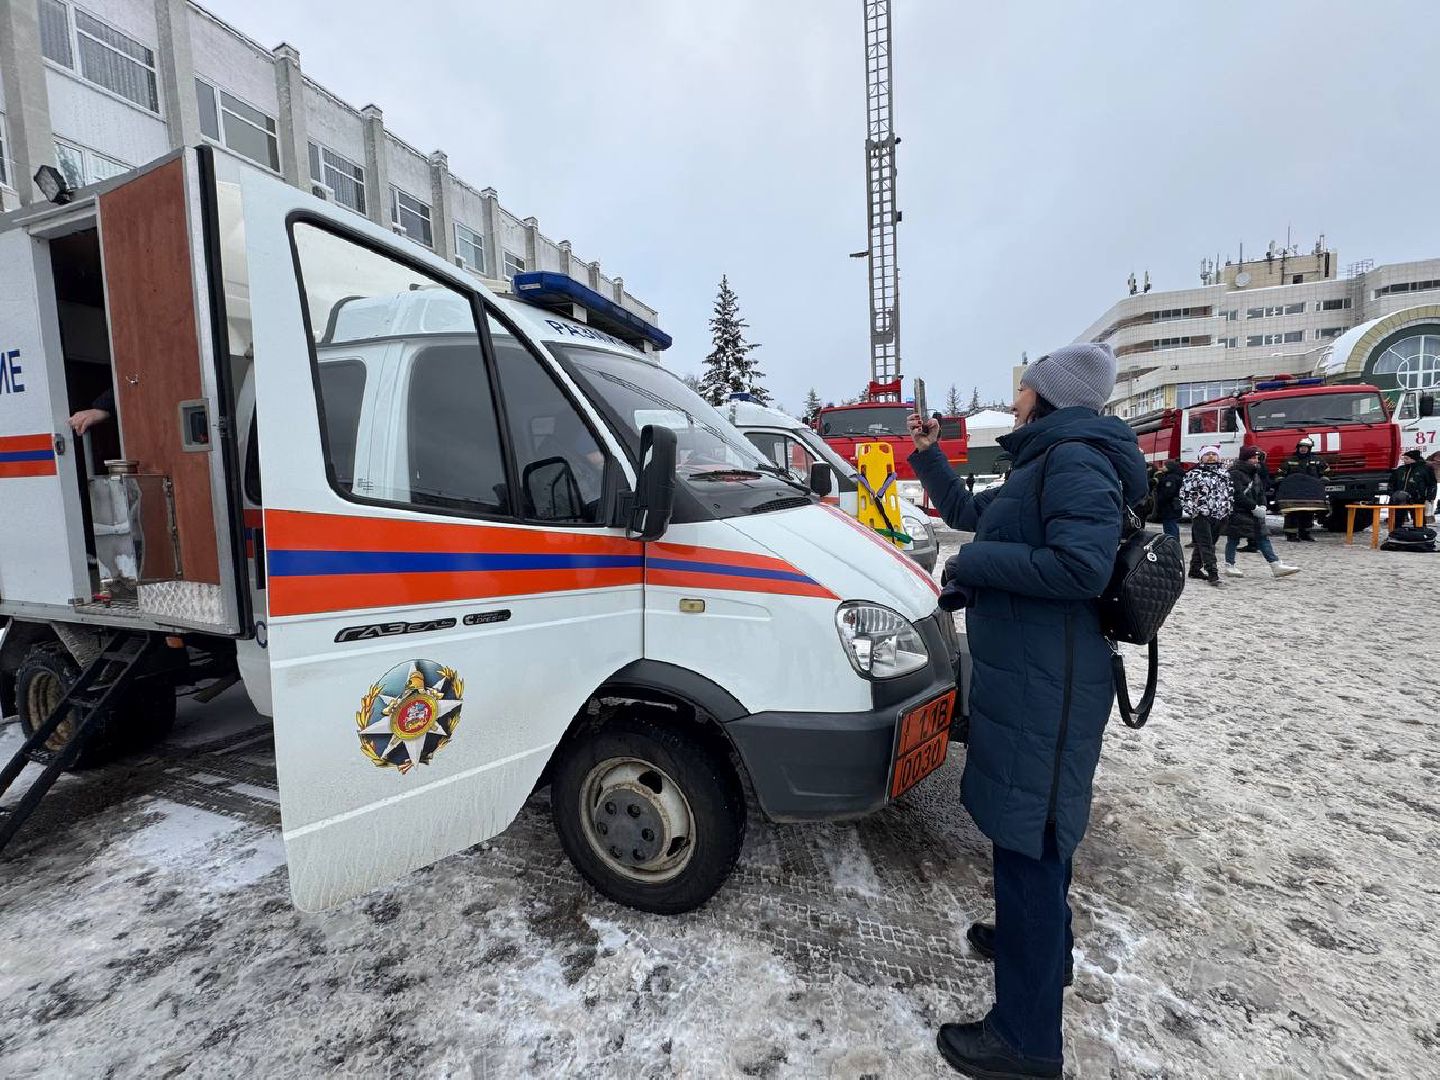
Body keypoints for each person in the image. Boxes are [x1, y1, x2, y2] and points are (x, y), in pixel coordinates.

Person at [908, 342, 1146, 1079]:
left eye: (1023, 389)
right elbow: (980, 516)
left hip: (1053, 684)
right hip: (1040, 677)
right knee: (1034, 834)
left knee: (1032, 844)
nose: (1014, 399)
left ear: (1050, 396)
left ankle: (1026, 1042)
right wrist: (929, 457)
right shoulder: (1046, 460)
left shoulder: (1073, 460)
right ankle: (1041, 946)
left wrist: (975, 568)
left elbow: (1081, 567)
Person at [1224, 446, 1300, 579]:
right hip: (1239, 512)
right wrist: (1253, 507)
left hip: (1254, 512)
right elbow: (1237, 495)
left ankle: (1275, 564)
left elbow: (1260, 492)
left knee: (1262, 537)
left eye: (1257, 458)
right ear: (1245, 459)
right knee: (1234, 538)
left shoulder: (1255, 473)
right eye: (1253, 458)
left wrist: (1263, 506)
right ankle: (1229, 565)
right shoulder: (1235, 473)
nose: (1256, 460)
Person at [1180, 444, 1233, 587]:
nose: (1211, 457)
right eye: (1207, 454)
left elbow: (1229, 493)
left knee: (1206, 543)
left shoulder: (1225, 474)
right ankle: (1213, 574)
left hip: (1220, 514)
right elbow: (1185, 494)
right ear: (1201, 457)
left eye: (1213, 454)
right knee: (1207, 545)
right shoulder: (1193, 474)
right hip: (1201, 514)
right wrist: (1192, 510)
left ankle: (1195, 569)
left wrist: (1228, 508)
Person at [1276, 437, 1329, 541]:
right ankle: (1291, 534)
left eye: (1306, 447)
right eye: (1301, 447)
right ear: (1298, 447)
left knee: (1308, 512)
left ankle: (1305, 533)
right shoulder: (1290, 460)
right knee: (1292, 513)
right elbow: (1280, 474)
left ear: (1309, 449)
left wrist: (1323, 480)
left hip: (1310, 492)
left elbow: (1326, 472)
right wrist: (1283, 482)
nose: (1303, 449)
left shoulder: (1317, 460)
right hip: (1293, 493)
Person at [1388, 449, 1438, 529]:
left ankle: (1421, 535)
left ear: (1414, 459)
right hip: (1400, 499)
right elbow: (1391, 483)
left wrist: (1430, 498)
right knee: (1397, 520)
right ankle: (1395, 535)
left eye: (1406, 458)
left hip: (1417, 499)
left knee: (1419, 520)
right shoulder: (1400, 470)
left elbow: (1432, 484)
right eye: (1404, 458)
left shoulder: (1425, 469)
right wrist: (1392, 494)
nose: (1404, 460)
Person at [1153, 459, 1184, 542]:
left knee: (1169, 525)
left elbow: (1168, 492)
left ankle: (1171, 542)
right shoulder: (1177, 476)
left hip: (1169, 506)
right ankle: (1175, 541)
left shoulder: (1170, 478)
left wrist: (1160, 500)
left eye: (1165, 466)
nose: (1163, 467)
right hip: (1175, 504)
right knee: (1173, 524)